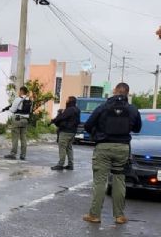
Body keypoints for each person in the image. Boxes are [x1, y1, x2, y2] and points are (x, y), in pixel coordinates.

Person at [82, 82, 142, 225]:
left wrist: (97, 134)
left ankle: (94, 215)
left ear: (115, 91)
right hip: (122, 148)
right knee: (119, 180)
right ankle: (119, 216)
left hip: (103, 147)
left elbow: (88, 125)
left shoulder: (103, 107)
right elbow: (138, 128)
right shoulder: (132, 109)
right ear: (127, 93)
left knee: (100, 181)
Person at [2, 86, 32, 160]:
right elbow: (30, 111)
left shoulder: (18, 99)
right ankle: (23, 155)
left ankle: (13, 154)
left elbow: (12, 109)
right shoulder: (29, 100)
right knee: (23, 138)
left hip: (17, 119)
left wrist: (9, 109)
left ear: (22, 91)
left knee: (15, 137)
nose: (19, 92)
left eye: (19, 91)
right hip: (25, 120)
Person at [50, 96, 80, 170]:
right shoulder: (77, 110)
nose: (66, 101)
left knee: (62, 147)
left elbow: (61, 118)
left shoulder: (69, 110)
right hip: (73, 132)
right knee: (69, 148)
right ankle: (70, 164)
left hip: (65, 131)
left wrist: (54, 120)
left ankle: (60, 164)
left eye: (67, 100)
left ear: (70, 101)